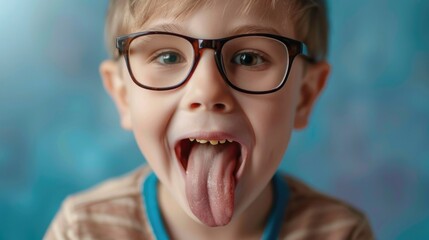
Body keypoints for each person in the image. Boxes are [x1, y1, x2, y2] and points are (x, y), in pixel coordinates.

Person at [45, 0, 374, 239]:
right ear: (122, 95)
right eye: (168, 56)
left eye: (248, 58)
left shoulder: (341, 233)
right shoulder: (82, 230)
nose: (207, 91)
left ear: (304, 95)